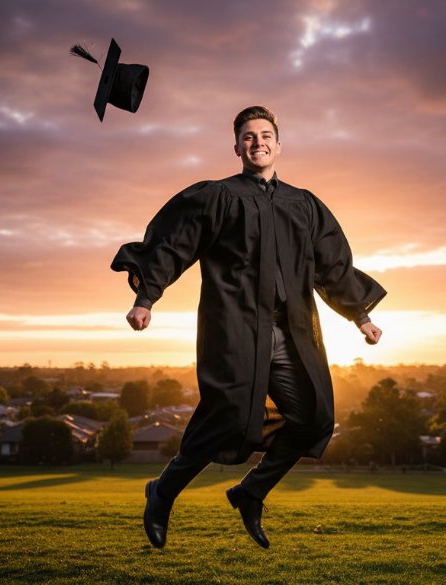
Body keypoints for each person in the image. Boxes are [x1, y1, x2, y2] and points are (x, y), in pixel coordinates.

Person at [111, 105, 385, 549]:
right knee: (228, 417)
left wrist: (362, 317)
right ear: (236, 146)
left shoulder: (305, 204)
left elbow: (333, 266)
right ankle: (162, 493)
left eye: (265, 135)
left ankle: (251, 491)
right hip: (236, 330)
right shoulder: (217, 197)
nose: (257, 142)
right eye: (248, 136)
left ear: (278, 143)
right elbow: (172, 245)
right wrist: (145, 299)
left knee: (315, 414)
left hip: (292, 333)